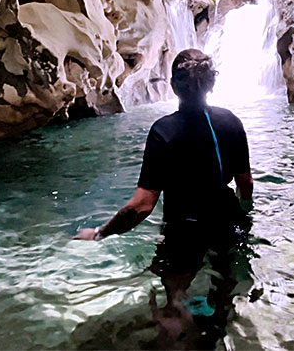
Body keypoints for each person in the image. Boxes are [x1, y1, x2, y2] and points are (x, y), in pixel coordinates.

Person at [74, 48, 253, 347]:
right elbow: (245, 184)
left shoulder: (164, 131)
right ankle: (214, 339)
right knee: (223, 297)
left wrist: (99, 233)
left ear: (173, 86)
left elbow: (142, 206)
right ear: (211, 84)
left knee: (173, 305)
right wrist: (246, 216)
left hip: (184, 231)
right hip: (227, 223)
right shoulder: (231, 121)